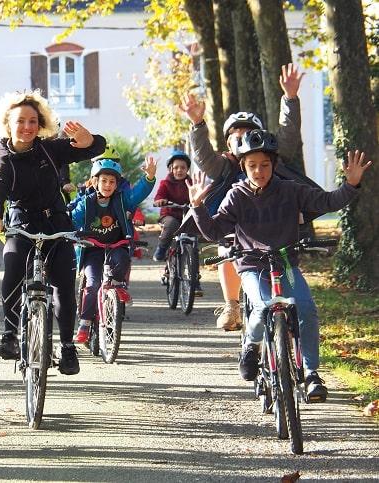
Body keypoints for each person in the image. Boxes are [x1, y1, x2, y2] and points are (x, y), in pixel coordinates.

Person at [186, 129, 372, 401]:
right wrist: (197, 206)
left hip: (285, 264)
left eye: (264, 165)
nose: (258, 171)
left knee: (306, 308)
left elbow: (327, 201)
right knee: (261, 307)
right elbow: (214, 232)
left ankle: (310, 374)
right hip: (252, 266)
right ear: (243, 166)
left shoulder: (290, 190)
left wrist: (351, 185)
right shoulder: (236, 196)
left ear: (273, 165)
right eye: (252, 166)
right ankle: (251, 345)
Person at [181, 63, 316, 331]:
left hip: (273, 230)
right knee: (226, 250)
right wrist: (197, 124)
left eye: (248, 133)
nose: (241, 138)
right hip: (234, 231)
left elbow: (288, 137)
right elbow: (202, 155)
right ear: (228, 142)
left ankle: (287, 323)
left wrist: (290, 98)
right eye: (235, 135)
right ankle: (232, 305)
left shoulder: (270, 162)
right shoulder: (222, 165)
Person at [0, 89, 106, 375]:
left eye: (33, 121)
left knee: (63, 281)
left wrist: (90, 141)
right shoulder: (4, 160)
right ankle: (9, 334)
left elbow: (94, 148)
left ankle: (67, 347)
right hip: (21, 225)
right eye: (20, 121)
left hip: (56, 224)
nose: (27, 127)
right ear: (8, 124)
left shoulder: (51, 150)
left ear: (40, 125)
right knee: (13, 265)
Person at [70, 153, 156, 343]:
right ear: (95, 182)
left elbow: (139, 192)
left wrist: (149, 178)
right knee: (92, 284)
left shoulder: (123, 199)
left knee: (123, 260)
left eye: (111, 181)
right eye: (104, 181)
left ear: (117, 184)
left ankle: (117, 285)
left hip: (116, 245)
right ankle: (84, 323)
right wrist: (71, 234)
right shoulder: (86, 202)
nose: (108, 185)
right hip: (92, 249)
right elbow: (72, 219)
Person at [152, 150, 193, 261]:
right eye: (176, 168)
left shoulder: (191, 183)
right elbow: (159, 196)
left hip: (187, 214)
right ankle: (162, 248)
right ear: (171, 169)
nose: (179, 170)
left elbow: (197, 195)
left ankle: (194, 253)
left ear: (187, 169)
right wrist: (160, 200)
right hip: (170, 214)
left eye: (183, 168)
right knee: (171, 224)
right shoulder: (165, 183)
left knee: (196, 225)